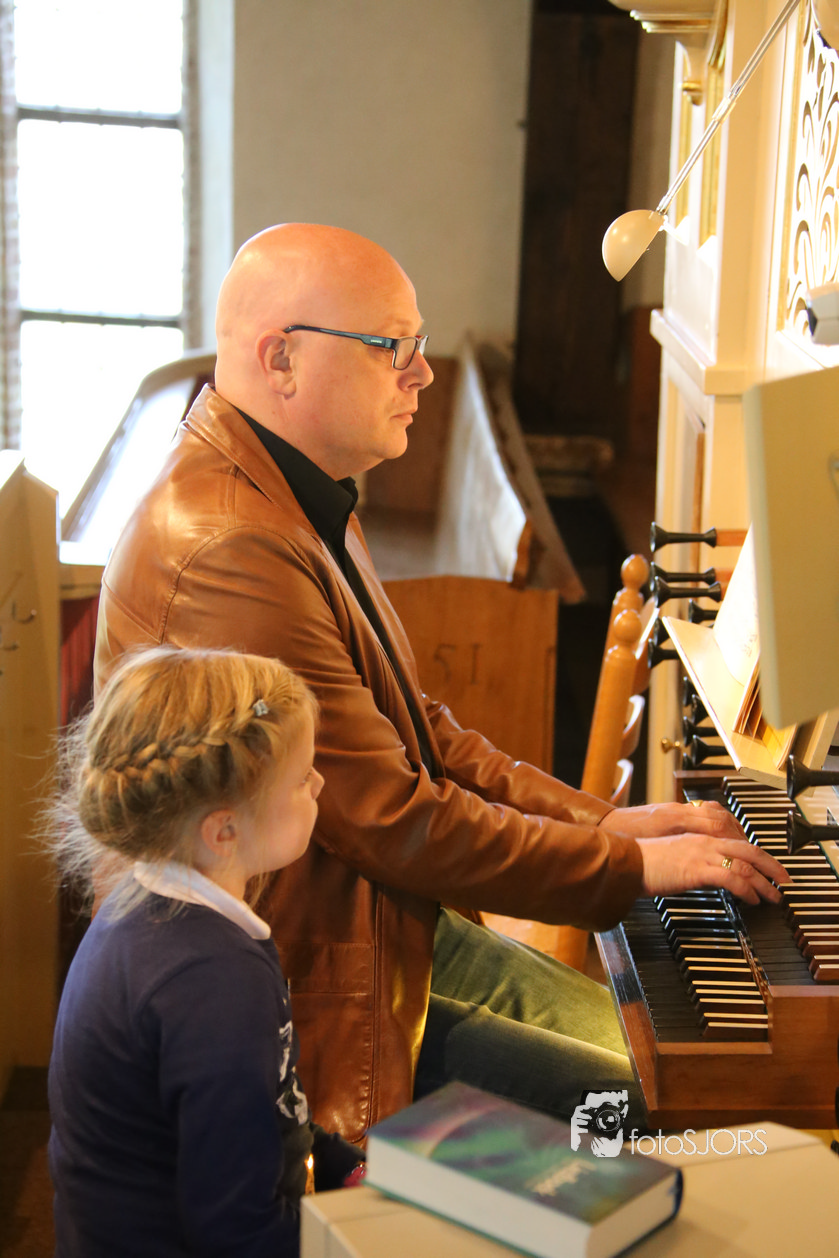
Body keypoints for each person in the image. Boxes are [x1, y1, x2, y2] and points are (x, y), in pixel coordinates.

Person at [93, 223, 787, 1143]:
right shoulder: (231, 548)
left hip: (377, 924)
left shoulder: (295, 487)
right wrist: (627, 868)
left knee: (670, 1062)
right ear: (281, 359)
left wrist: (603, 826)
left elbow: (417, 729)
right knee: (659, 1109)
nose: (421, 373)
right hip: (303, 986)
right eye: (392, 347)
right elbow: (389, 816)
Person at [47, 646, 364, 1258]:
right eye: (302, 778)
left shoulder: (139, 907)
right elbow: (236, 1231)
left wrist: (348, 1169)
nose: (319, 784)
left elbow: (273, 1111)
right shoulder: (214, 981)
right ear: (224, 831)